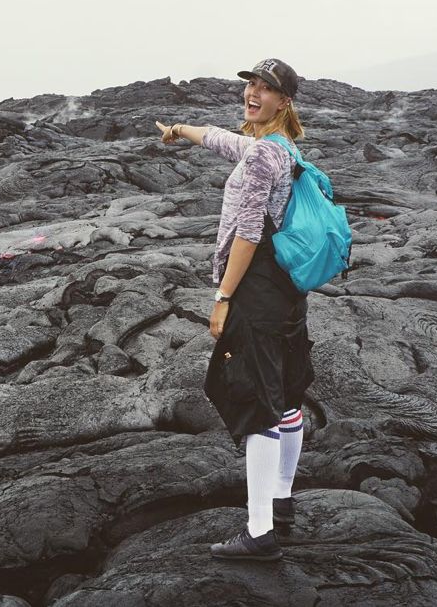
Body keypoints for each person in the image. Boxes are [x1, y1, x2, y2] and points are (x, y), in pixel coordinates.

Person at [155, 58, 314, 561]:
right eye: (251, 85)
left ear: (284, 101)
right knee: (286, 397)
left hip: (257, 291)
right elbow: (222, 139)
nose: (253, 93)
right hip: (287, 289)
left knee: (256, 404)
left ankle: (259, 532)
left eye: (266, 89)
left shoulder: (264, 154)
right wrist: (180, 130)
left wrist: (223, 297)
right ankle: (282, 500)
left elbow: (247, 232)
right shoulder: (278, 147)